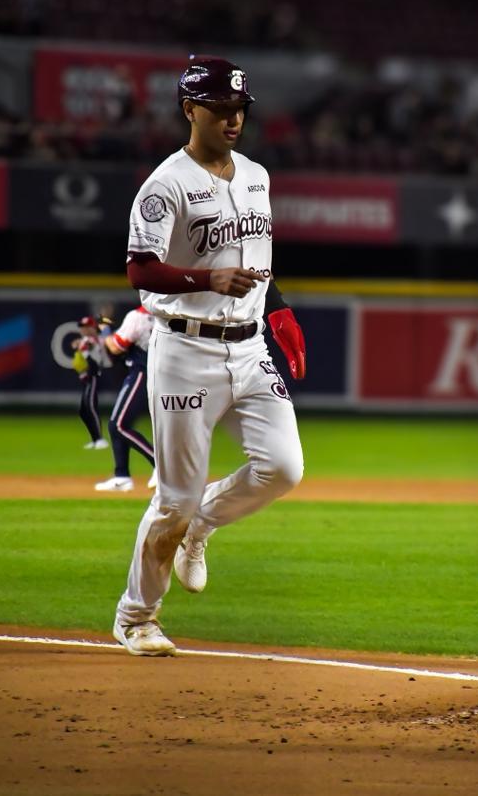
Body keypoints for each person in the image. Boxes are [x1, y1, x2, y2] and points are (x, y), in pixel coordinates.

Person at [112, 56, 307, 656]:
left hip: (249, 350)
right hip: (184, 347)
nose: (232, 120)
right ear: (190, 109)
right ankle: (136, 617)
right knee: (173, 496)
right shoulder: (164, 184)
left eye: (239, 110)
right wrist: (206, 277)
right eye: (220, 109)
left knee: (284, 468)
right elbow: (138, 268)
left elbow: (257, 264)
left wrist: (281, 312)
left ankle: (204, 525)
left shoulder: (256, 175)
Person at [94, 304, 156, 492]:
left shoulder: (137, 316)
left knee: (118, 425)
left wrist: (104, 332)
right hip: (160, 374)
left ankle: (161, 466)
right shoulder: (167, 315)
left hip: (141, 373)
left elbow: (116, 346)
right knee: (118, 425)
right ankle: (122, 476)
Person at [72, 313, 112, 450]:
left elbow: (93, 343)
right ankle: (95, 439)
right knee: (83, 411)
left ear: (92, 327)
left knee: (91, 407)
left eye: (86, 326)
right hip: (86, 378)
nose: (83, 329)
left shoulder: (95, 339)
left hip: (93, 376)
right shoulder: (86, 339)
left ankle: (100, 439)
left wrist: (81, 344)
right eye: (82, 326)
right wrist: (80, 343)